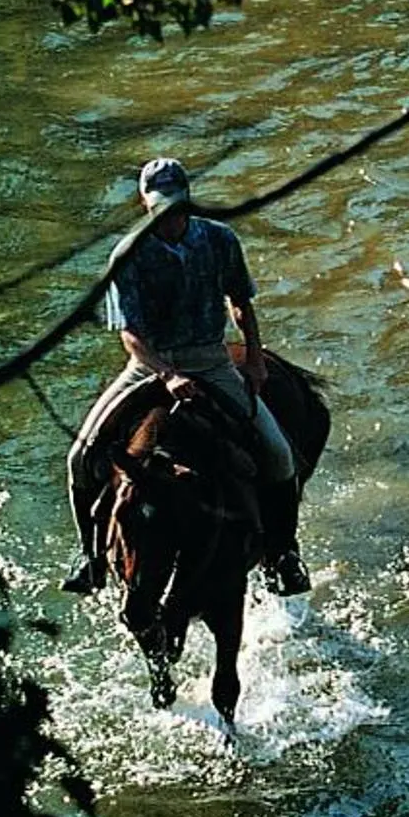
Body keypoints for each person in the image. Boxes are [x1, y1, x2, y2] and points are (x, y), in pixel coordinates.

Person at [63, 156, 308, 595]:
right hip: (149, 365)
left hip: (211, 359)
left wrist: (253, 358)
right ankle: (92, 558)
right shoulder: (128, 255)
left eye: (177, 206)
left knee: (279, 454)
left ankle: (285, 555)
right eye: (161, 207)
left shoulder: (219, 240)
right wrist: (166, 374)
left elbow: (240, 302)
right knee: (80, 458)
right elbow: (131, 334)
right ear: (144, 204)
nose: (172, 217)